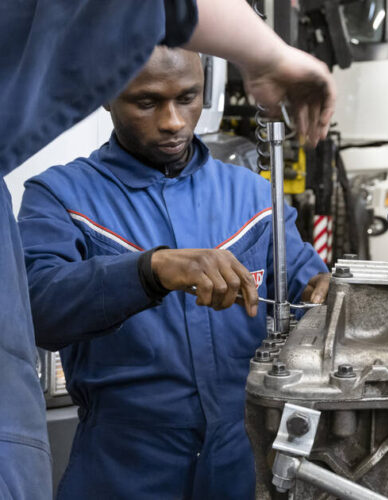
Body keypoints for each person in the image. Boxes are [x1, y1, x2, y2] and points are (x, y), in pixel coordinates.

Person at [1, 1, 335, 498]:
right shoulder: (62, 197)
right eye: (147, 102)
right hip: (121, 471)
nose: (174, 121)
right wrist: (149, 271)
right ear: (105, 96)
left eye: (188, 98)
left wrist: (331, 295)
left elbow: (307, 286)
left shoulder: (250, 196)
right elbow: (38, 310)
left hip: (241, 466)